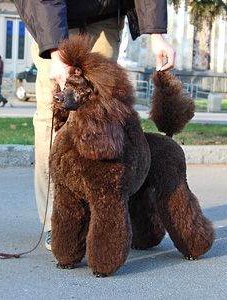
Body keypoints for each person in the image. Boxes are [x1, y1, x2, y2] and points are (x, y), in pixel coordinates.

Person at [14, 0, 177, 250]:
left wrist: (156, 35)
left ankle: (99, 215)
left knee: (102, 112)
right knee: (54, 111)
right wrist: (57, 53)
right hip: (51, 15)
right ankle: (56, 223)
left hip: (105, 13)